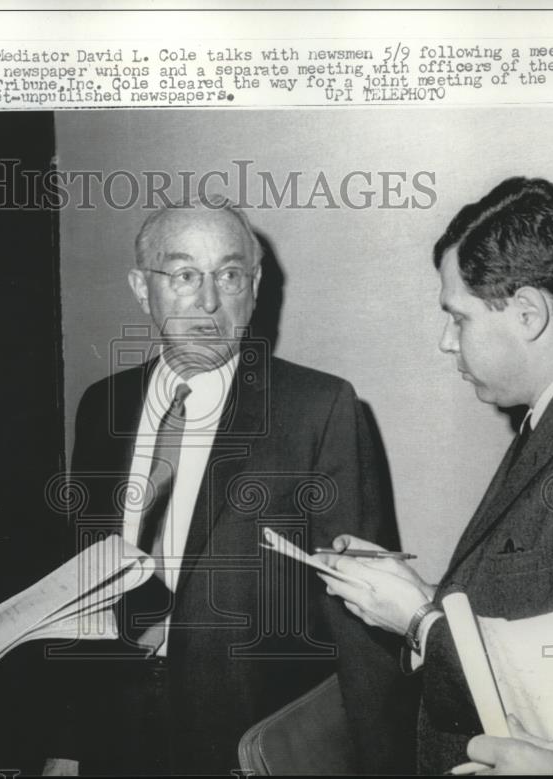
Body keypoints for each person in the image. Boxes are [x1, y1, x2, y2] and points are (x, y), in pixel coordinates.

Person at [60, 200, 414, 775]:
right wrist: (68, 740)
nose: (207, 302)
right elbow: (79, 579)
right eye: (183, 275)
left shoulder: (316, 408)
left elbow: (360, 609)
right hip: (114, 724)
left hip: (246, 730)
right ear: (140, 287)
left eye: (229, 275)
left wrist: (380, 761)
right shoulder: (101, 406)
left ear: (254, 286)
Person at [319, 177, 553, 774]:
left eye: (459, 317)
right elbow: (545, 610)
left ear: (529, 314)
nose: (445, 342)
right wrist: (427, 596)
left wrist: (418, 622)